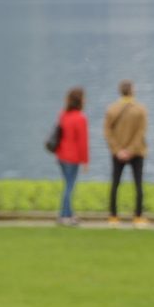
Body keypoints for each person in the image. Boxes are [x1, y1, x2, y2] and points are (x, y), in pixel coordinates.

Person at [104, 80, 149, 226]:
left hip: (117, 153)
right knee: (138, 185)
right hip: (137, 152)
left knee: (115, 184)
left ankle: (113, 216)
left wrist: (118, 150)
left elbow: (107, 132)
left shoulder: (112, 109)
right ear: (132, 91)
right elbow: (141, 132)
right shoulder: (140, 109)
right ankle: (138, 216)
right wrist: (131, 149)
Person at [50, 87, 89, 224]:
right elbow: (83, 142)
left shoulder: (63, 115)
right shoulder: (80, 118)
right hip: (73, 158)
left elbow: (59, 135)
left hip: (61, 155)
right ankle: (65, 216)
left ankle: (68, 213)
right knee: (69, 187)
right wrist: (85, 161)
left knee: (67, 185)